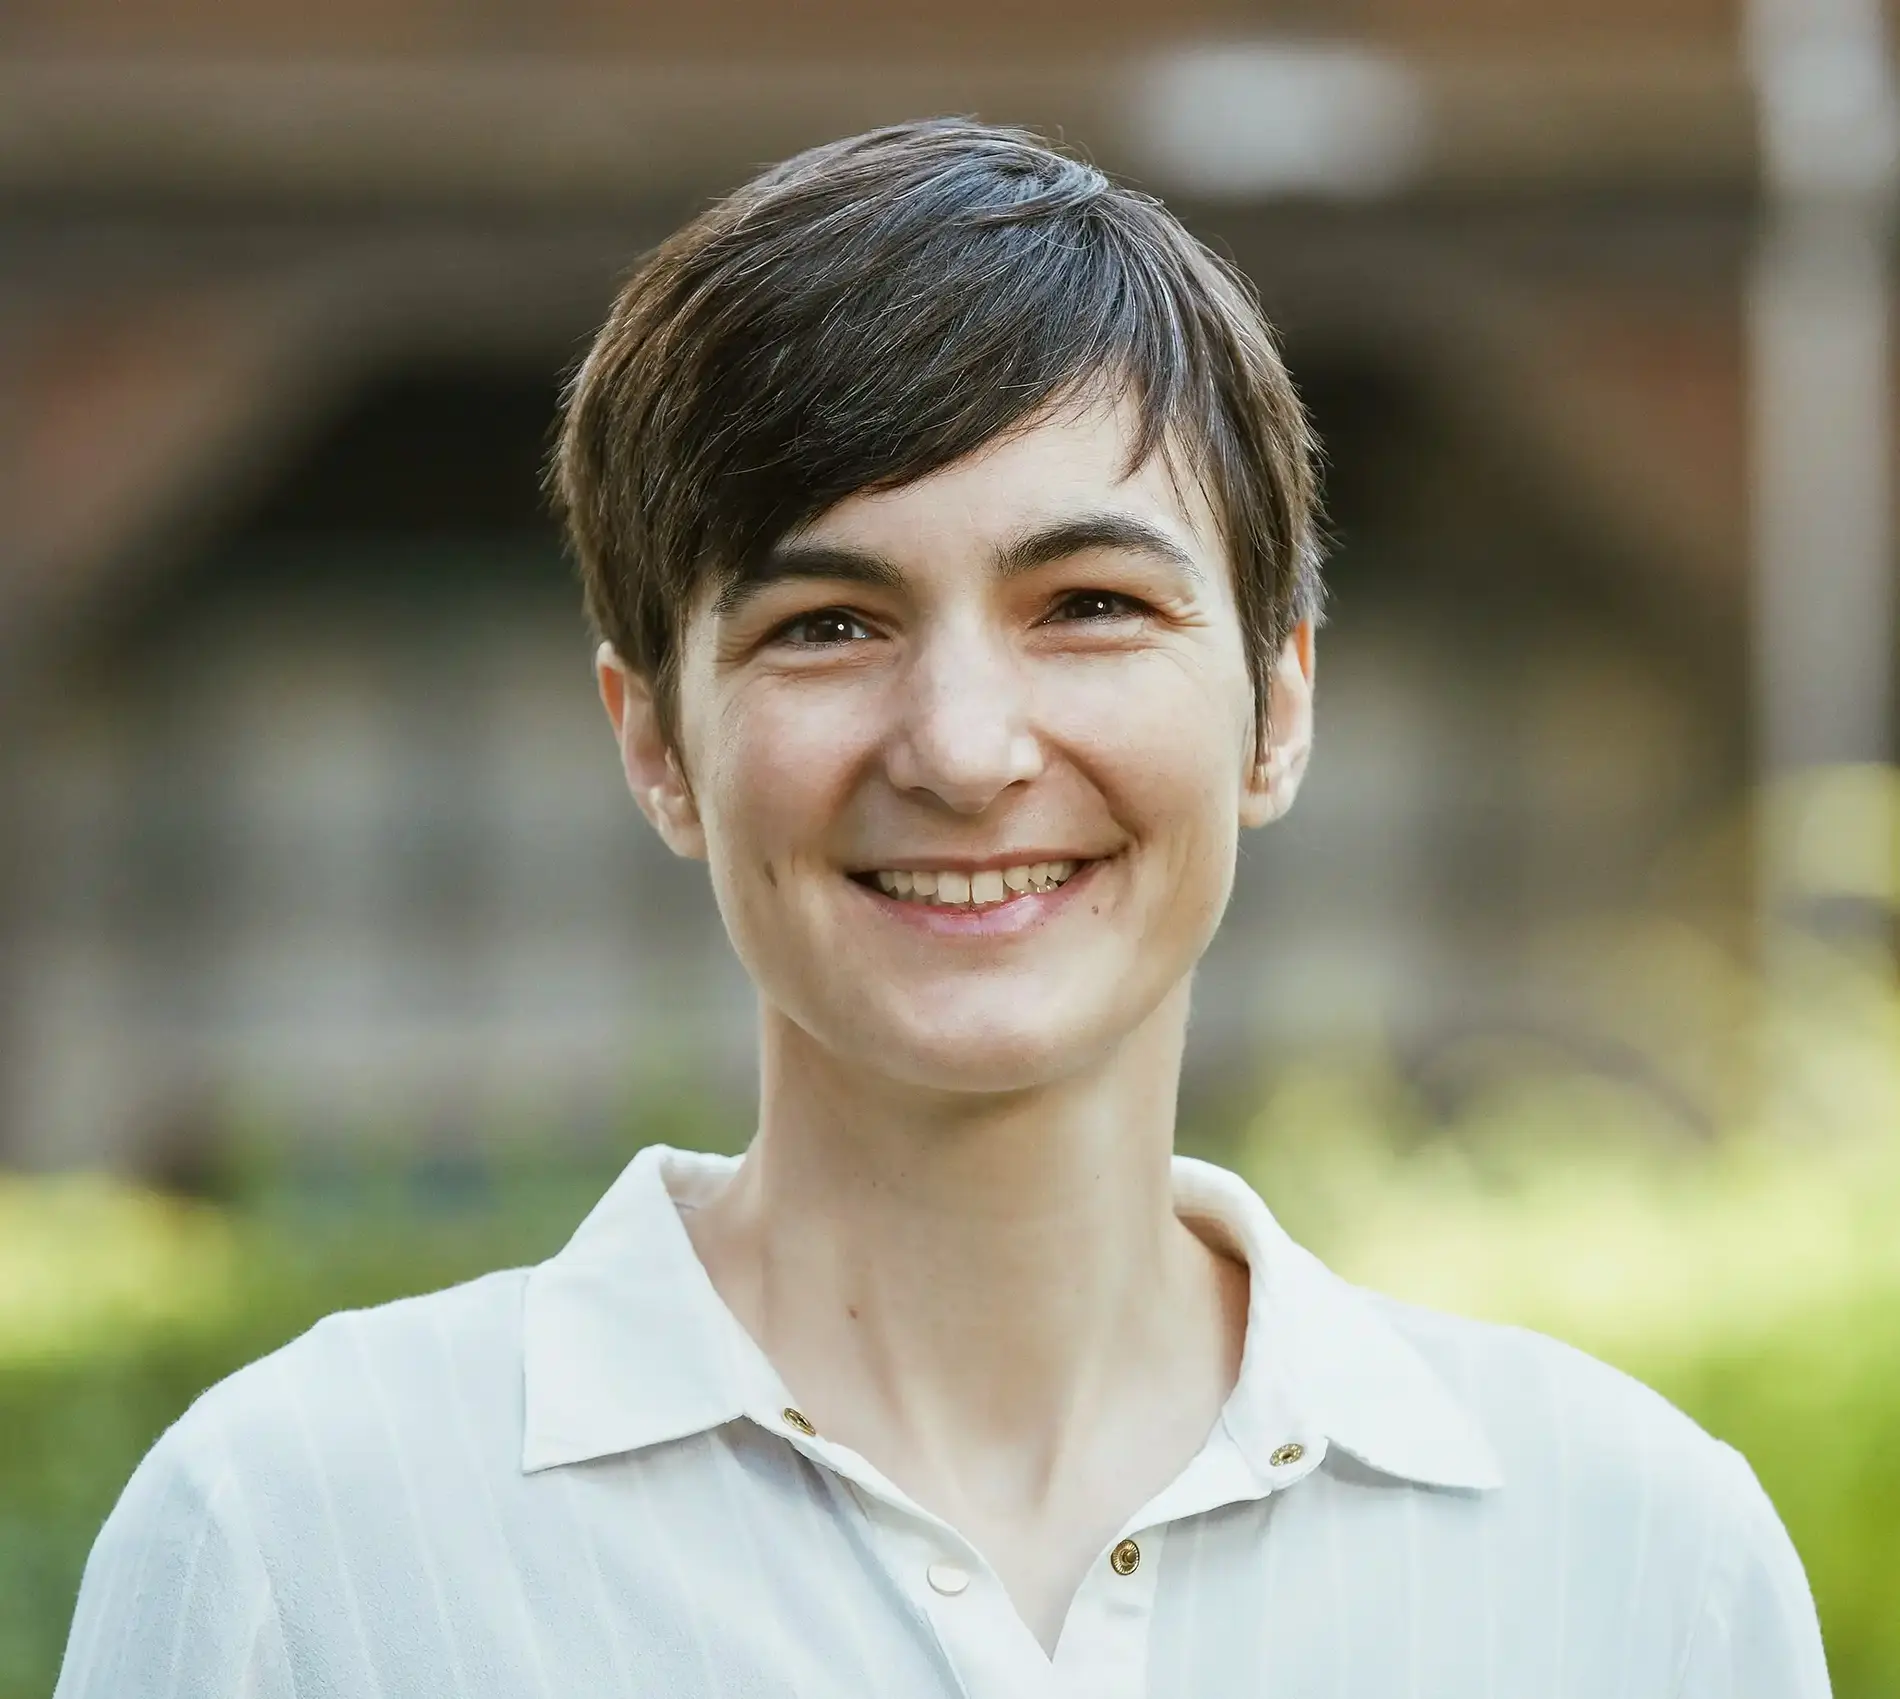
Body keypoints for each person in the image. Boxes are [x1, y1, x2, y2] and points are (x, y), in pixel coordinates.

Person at [53, 118, 1828, 1698]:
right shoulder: (302, 1541)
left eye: (1089, 606)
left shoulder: (1639, 1560)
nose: (966, 751)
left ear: (1279, 705)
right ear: (657, 743)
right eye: (826, 622)